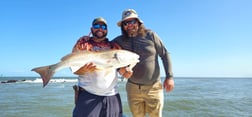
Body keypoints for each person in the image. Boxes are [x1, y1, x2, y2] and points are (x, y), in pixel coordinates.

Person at [112, 9, 174, 117]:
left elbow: (164, 54)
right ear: (123, 26)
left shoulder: (151, 35)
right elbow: (107, 53)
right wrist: (119, 69)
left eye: (132, 22)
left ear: (138, 22)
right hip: (133, 88)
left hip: (153, 87)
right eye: (126, 23)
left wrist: (169, 77)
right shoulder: (119, 41)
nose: (129, 25)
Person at [71, 17, 126, 117]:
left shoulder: (114, 47)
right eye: (97, 26)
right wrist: (83, 70)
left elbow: (122, 70)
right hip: (88, 95)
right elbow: (73, 68)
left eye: (103, 26)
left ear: (107, 30)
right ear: (91, 29)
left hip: (112, 95)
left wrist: (127, 72)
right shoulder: (83, 43)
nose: (100, 28)